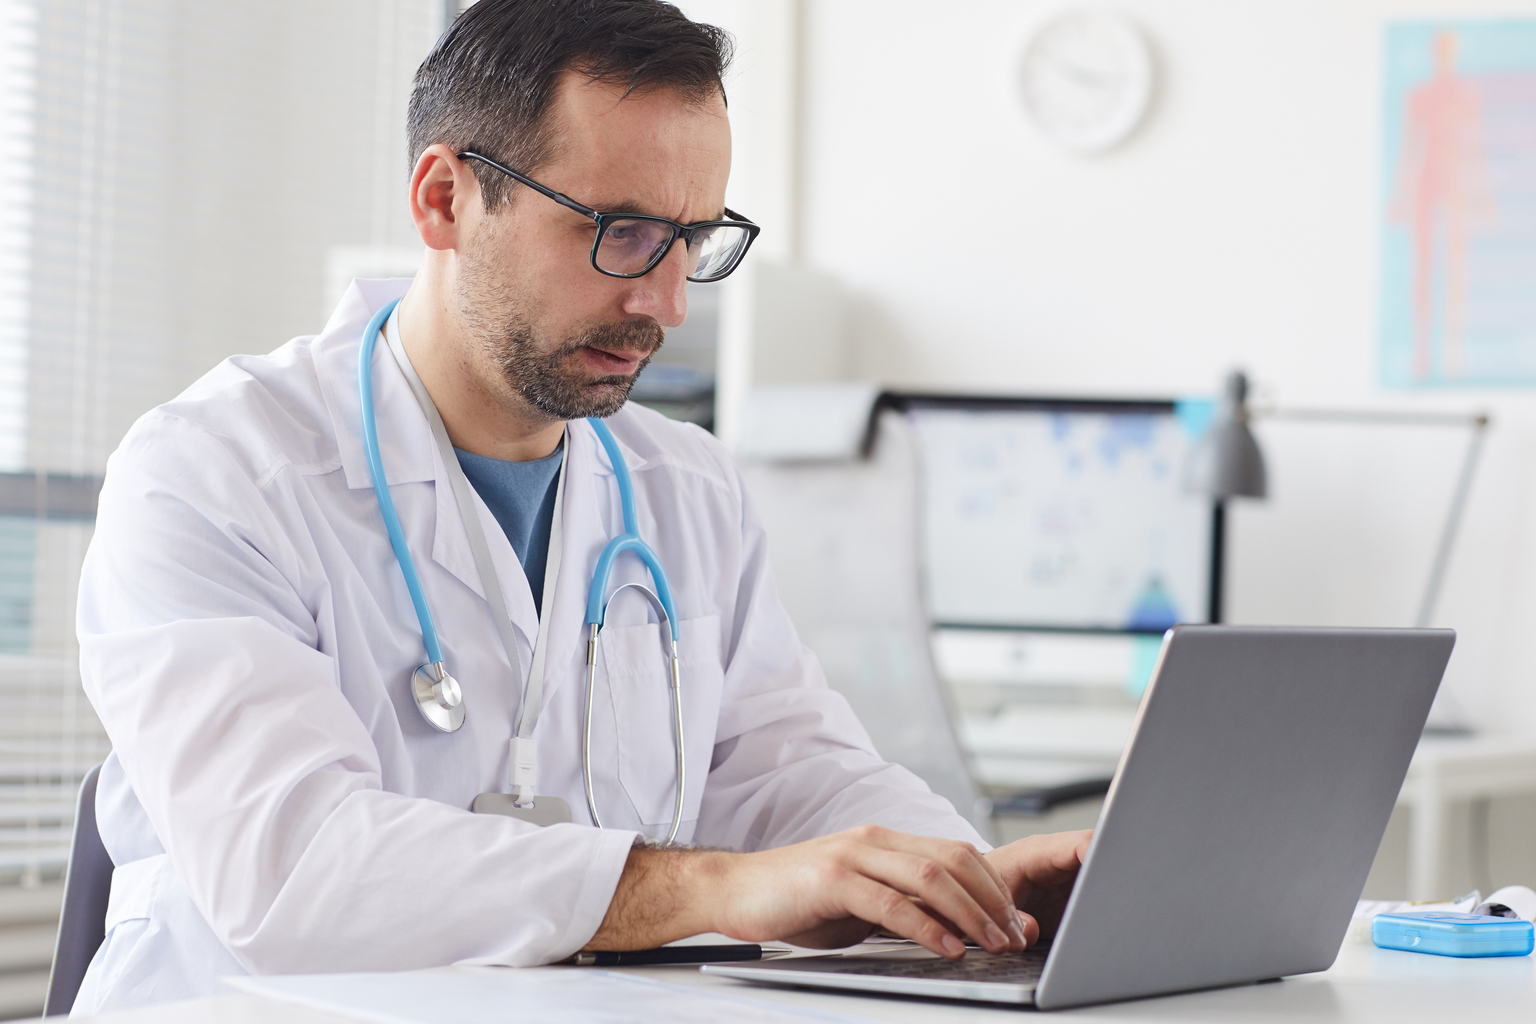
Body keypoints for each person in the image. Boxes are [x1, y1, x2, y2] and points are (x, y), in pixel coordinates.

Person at [73, 0, 1089, 1011]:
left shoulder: (687, 489)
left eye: (693, 238)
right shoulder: (212, 472)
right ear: (444, 199)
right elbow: (293, 867)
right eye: (622, 231)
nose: (667, 302)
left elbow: (794, 772)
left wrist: (971, 882)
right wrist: (718, 887)